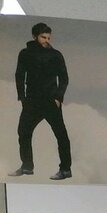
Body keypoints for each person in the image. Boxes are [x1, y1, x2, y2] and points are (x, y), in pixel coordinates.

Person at [11, 22, 72, 181]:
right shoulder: (25, 54)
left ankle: (65, 169)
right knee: (23, 132)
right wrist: (22, 97)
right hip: (32, 101)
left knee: (61, 135)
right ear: (34, 36)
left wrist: (58, 97)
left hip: (51, 101)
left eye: (48, 38)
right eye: (43, 37)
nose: (46, 40)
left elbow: (64, 78)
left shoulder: (56, 55)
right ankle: (27, 166)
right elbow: (19, 75)